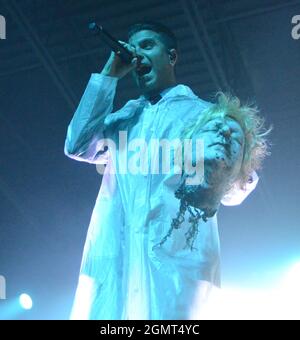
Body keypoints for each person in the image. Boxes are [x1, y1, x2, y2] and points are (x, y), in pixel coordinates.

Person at [64, 22, 269, 320]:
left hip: (177, 268)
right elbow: (77, 144)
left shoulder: (203, 116)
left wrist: (234, 169)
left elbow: (231, 192)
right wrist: (109, 74)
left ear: (171, 57)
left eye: (147, 46)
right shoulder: (124, 120)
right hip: (120, 263)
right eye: (133, 49)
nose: (137, 55)